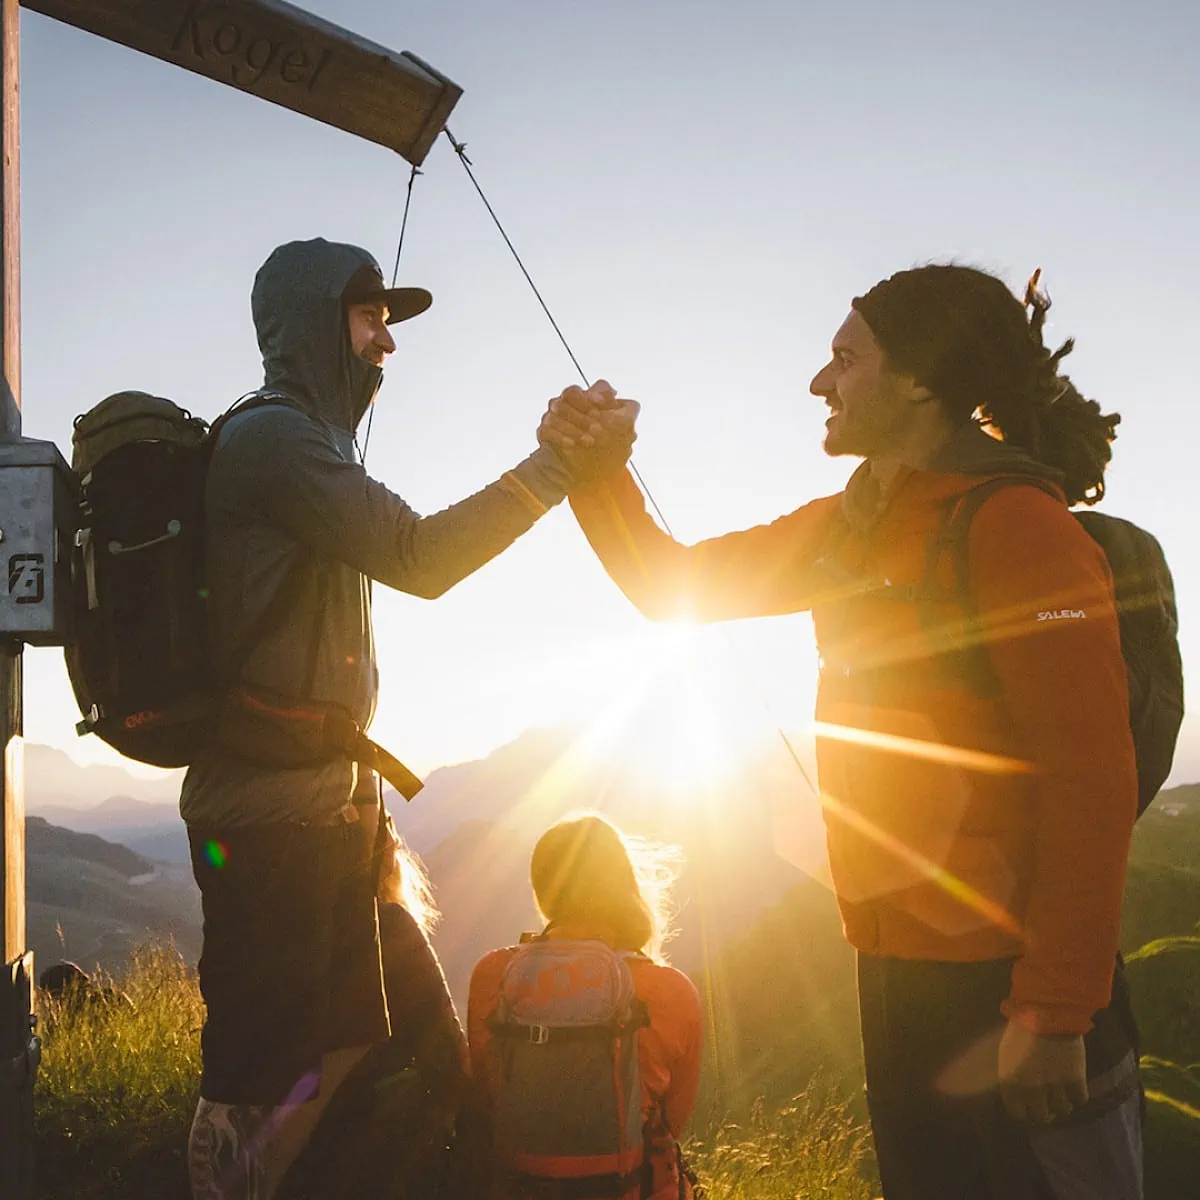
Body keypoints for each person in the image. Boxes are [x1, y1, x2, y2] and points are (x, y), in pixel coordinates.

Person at [540, 265, 1144, 1199]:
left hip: (1010, 986)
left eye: (845, 359)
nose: (821, 383)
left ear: (918, 382)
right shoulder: (854, 526)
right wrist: (596, 469)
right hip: (896, 977)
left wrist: (1057, 1013)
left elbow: (1091, 776)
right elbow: (671, 585)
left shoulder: (1022, 529)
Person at [181, 237, 635, 1199]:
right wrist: (556, 466)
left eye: (388, 320)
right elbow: (423, 557)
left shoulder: (309, 440)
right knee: (268, 1076)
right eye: (370, 317)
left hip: (330, 814)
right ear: (314, 324)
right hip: (273, 827)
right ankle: (230, 1180)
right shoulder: (277, 440)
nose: (387, 340)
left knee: (378, 1043)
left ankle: (261, 1176)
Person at [468, 815, 703, 1200]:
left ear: (544, 892)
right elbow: (672, 1124)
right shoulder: (671, 991)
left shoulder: (495, 975)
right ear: (624, 887)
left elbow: (487, 1095)